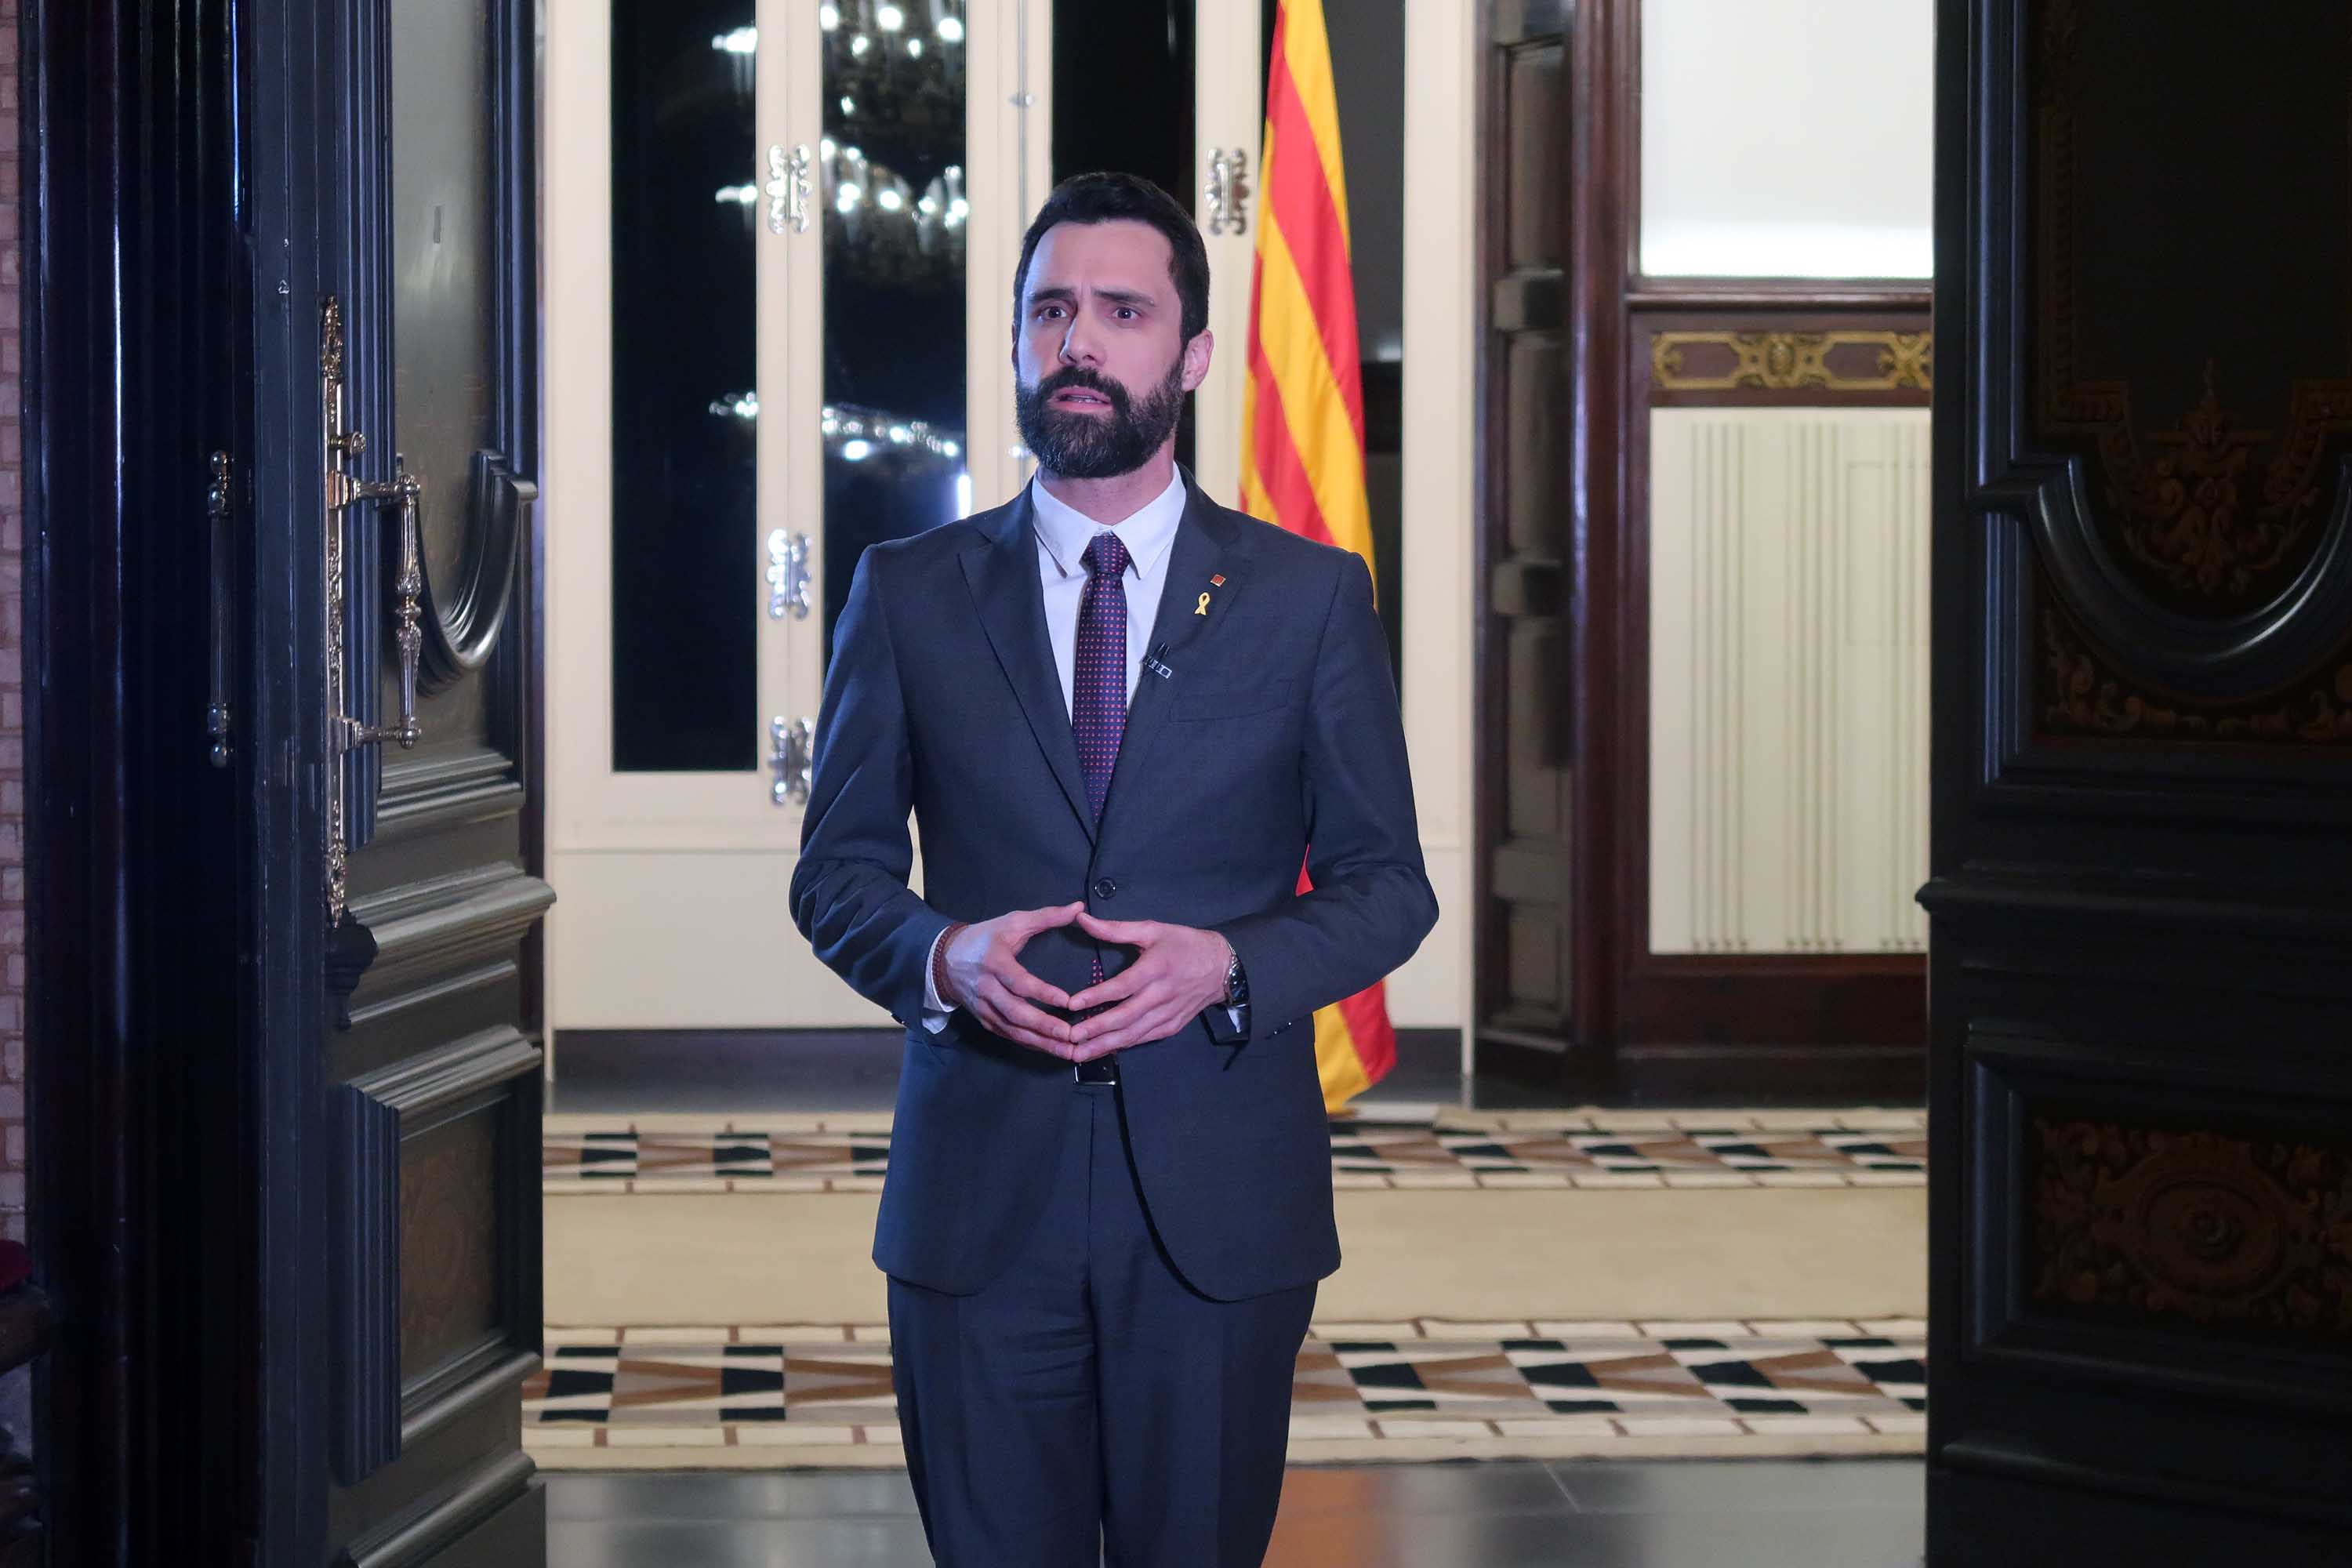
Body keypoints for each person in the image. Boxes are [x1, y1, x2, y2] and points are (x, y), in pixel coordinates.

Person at [790, 171, 1437, 1568]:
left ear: (1192, 356)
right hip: (977, 1207)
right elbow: (836, 875)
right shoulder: (908, 592)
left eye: (1124, 312)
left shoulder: (1307, 598)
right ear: (1021, 342)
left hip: (1219, 1211)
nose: (1080, 342)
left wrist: (1235, 964)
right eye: (1052, 311)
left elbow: (1391, 886)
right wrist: (943, 958)